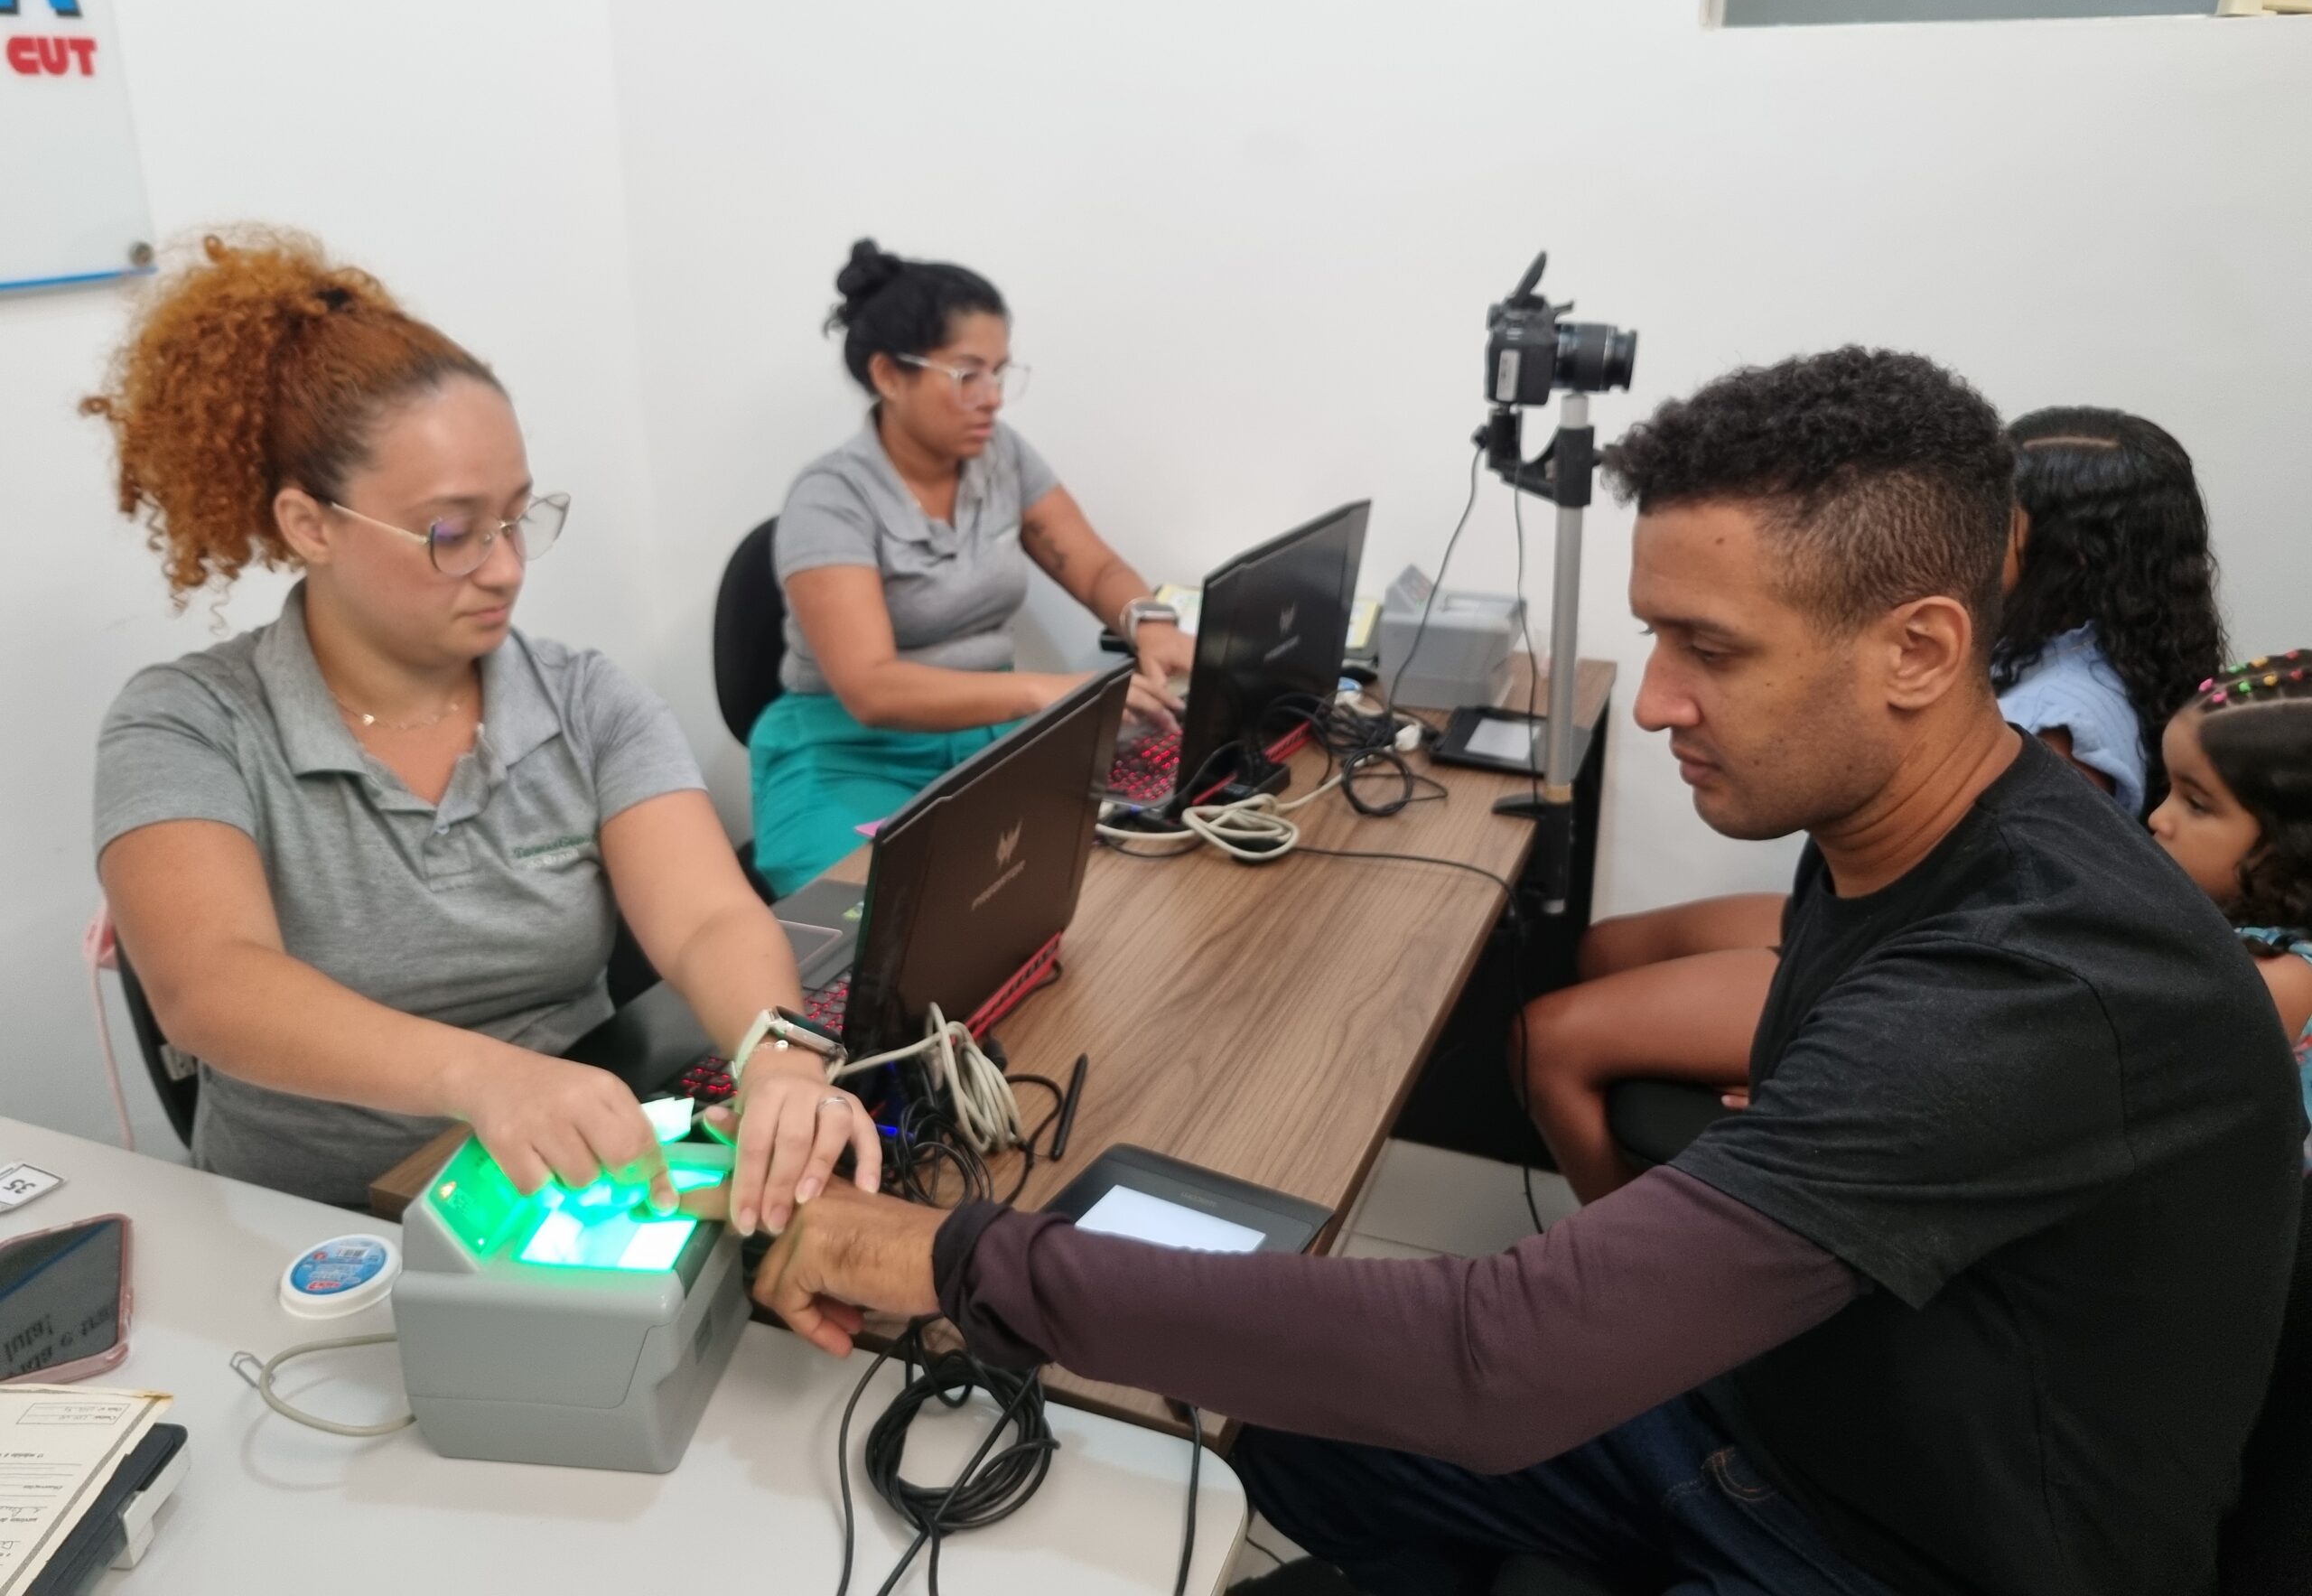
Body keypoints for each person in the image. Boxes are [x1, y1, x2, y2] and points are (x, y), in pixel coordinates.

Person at [695, 348, 2303, 1596]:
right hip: (1771, 1418)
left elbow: (1496, 1359)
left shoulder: (2046, 977)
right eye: (1657, 635)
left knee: (1268, 1388)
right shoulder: (1910, 823)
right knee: (1221, 1427)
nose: (1656, 700)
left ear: (1922, 651)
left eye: (1712, 649)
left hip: (1905, 1556)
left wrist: (954, 1259)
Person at [89, 230, 873, 1234]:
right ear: (310, 524)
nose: (505, 568)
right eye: (454, 533)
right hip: (312, 1231)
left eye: (517, 518)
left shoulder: (588, 702)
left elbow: (708, 920)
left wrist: (779, 1059)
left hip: (571, 1197)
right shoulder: (186, 723)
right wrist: (483, 1078)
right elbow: (210, 984)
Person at [1520, 403, 2226, 1201]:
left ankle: (1636, 1254)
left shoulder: (2064, 721)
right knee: (1606, 947)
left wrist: (1822, 1056)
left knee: (1547, 1039)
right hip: (1875, 912)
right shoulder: (2048, 643)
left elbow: (1973, 931)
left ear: (2071, 551)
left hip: (1906, 956)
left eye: (1992, 518)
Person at [748, 239, 1193, 895]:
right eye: (967, 375)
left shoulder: (1000, 456)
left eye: (1000, 373)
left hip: (991, 741)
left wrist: (1150, 623)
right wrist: (1048, 693)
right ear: (888, 375)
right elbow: (872, 690)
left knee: (1105, 872)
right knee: (895, 917)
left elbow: (1095, 567)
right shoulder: (830, 498)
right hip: (848, 757)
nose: (993, 399)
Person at [2150, 654, 2312, 1162]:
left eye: (2197, 804)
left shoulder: (2277, 982)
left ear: (2292, 842)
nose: (2158, 819)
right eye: (2169, 790)